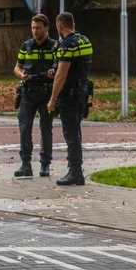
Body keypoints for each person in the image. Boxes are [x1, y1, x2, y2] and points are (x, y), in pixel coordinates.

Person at [46, 12, 92, 186]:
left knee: (71, 133)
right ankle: (76, 169)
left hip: (70, 94)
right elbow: (77, 66)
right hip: (83, 91)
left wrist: (52, 99)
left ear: (59, 26)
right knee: (76, 130)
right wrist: (56, 69)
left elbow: (62, 75)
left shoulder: (66, 45)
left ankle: (75, 171)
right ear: (73, 23)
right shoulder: (85, 40)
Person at [12, 14, 57, 178]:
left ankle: (45, 164)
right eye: (32, 28)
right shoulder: (26, 46)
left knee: (46, 129)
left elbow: (60, 67)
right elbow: (17, 67)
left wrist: (54, 72)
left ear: (46, 28)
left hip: (46, 92)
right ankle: (26, 164)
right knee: (24, 128)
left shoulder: (55, 46)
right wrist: (21, 75)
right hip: (28, 92)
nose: (34, 31)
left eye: (38, 28)